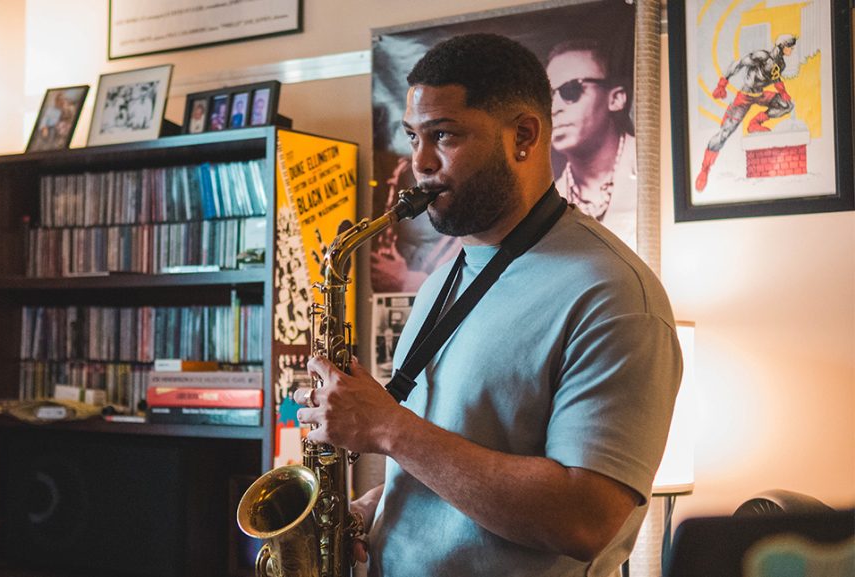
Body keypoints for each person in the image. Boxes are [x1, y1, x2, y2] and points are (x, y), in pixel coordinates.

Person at [293, 33, 682, 577]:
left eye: (444, 136)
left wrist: (388, 428)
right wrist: (381, 509)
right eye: (412, 137)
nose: (419, 163)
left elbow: (584, 519)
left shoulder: (613, 295)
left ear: (523, 135)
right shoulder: (442, 280)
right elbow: (465, 453)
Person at [546, 39, 637, 248]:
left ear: (616, 99)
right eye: (547, 97)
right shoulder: (547, 200)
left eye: (571, 90)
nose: (554, 108)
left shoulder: (657, 170)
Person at [694, 34, 798, 191]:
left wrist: (783, 92)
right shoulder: (762, 56)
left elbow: (776, 78)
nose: (792, 50)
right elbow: (738, 64)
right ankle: (704, 169)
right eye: (790, 46)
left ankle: (755, 122)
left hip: (760, 95)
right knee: (724, 133)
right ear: (783, 46)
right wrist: (722, 84)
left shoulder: (780, 64)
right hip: (744, 98)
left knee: (787, 104)